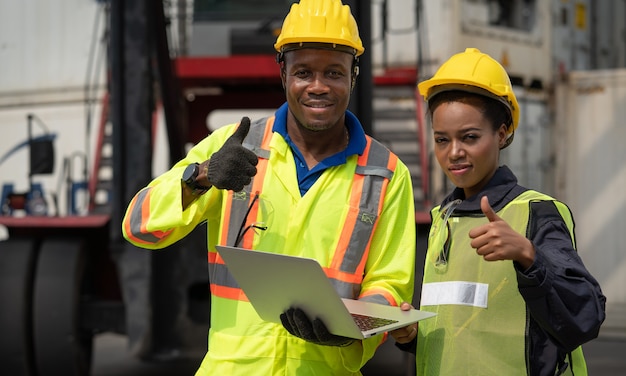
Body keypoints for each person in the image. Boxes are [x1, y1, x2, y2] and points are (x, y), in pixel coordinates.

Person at [121, 0, 417, 374]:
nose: (318, 87)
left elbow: (390, 283)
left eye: (334, 73)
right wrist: (201, 176)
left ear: (353, 75)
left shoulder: (386, 174)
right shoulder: (232, 148)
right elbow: (138, 228)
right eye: (304, 72)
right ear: (283, 72)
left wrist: (355, 329)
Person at [390, 48, 606, 375]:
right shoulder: (441, 221)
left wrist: (529, 255)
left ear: (501, 134)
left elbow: (585, 317)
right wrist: (413, 335)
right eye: (442, 140)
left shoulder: (536, 213)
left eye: (470, 137)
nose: (454, 153)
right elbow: (463, 328)